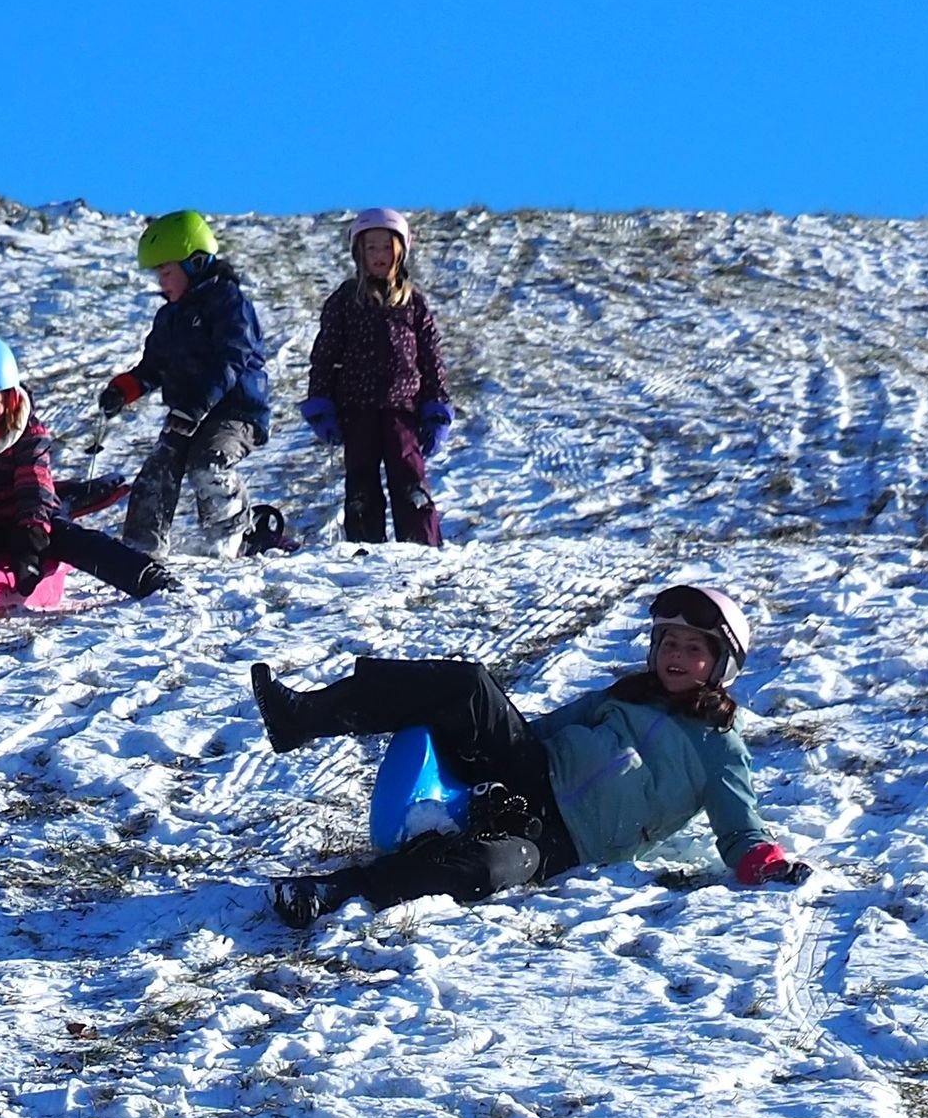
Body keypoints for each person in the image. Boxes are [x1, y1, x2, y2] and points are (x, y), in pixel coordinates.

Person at [252, 583, 813, 923]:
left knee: (491, 866)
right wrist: (471, 740)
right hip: (533, 771)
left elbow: (741, 826)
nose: (675, 655)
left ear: (719, 665)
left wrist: (767, 863)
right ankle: (302, 718)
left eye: (693, 649)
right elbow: (542, 728)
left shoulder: (718, 744)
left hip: (563, 841)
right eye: (668, 642)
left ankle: (337, 891)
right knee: (471, 685)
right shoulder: (623, 695)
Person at [0, 334, 176, 597]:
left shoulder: (26, 432)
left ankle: (149, 578)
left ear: (9, 398)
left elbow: (34, 491)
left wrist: (30, 542)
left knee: (72, 539)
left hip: (21, 523)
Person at [100, 211, 276, 559]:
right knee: (156, 471)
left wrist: (197, 405)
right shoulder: (169, 316)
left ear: (196, 263)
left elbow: (231, 359)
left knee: (207, 461)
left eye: (167, 272)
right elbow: (154, 367)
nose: (161, 282)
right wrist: (125, 389)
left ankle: (230, 538)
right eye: (158, 274)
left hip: (235, 412)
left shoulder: (228, 302)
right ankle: (140, 549)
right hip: (187, 413)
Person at [303, 208, 452, 546]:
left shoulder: (413, 303)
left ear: (400, 251)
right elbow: (325, 355)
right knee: (361, 483)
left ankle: (421, 545)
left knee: (410, 479)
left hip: (403, 410)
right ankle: (364, 546)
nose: (379, 255)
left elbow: (431, 357)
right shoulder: (344, 301)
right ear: (359, 253)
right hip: (356, 409)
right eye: (371, 248)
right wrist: (321, 404)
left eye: (386, 247)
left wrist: (437, 408)